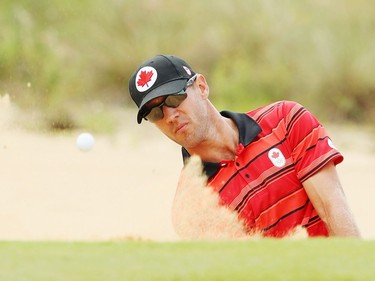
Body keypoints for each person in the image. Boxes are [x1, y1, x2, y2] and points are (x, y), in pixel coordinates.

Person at [128, 54, 360, 238]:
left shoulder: (285, 120)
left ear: (201, 87)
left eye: (174, 99)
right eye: (156, 112)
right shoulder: (193, 204)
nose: (170, 116)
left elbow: (333, 208)